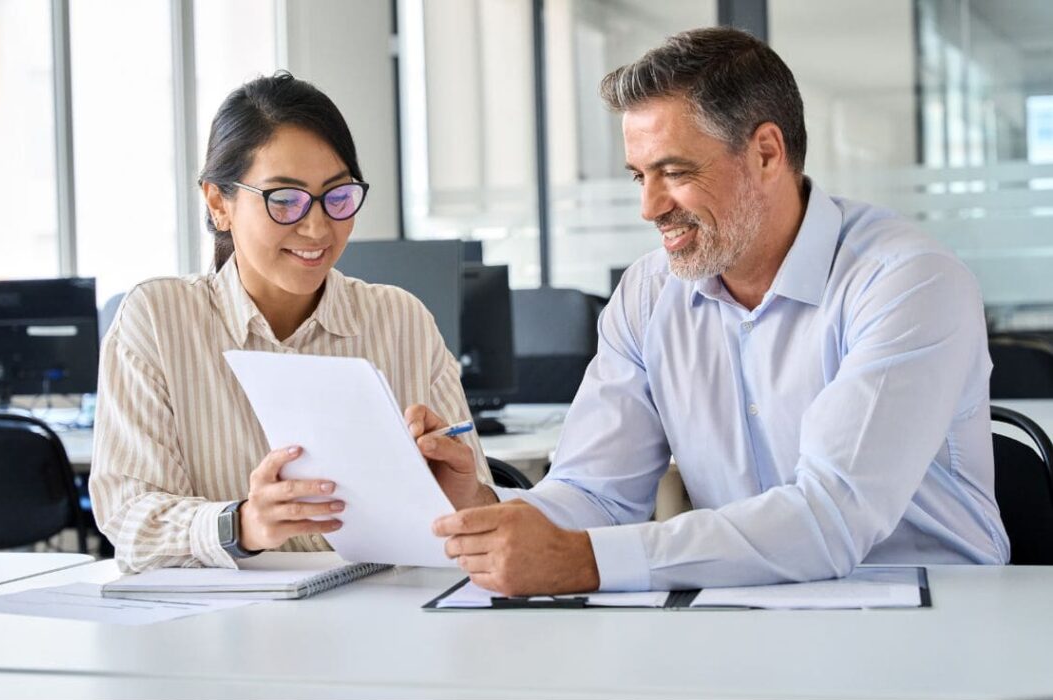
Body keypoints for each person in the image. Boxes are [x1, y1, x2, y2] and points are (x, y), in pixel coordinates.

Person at [411, 26, 1008, 596]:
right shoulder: (649, 294)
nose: (649, 207)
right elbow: (596, 491)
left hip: (933, 608)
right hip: (745, 606)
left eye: (674, 172)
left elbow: (831, 516)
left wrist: (584, 561)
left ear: (767, 153)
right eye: (639, 176)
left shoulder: (907, 282)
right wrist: (484, 519)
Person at [90, 72, 490, 573]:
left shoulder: (400, 319)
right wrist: (243, 524)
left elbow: (477, 515)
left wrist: (466, 495)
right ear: (219, 203)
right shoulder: (157, 319)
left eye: (338, 196)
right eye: (284, 199)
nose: (318, 226)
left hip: (386, 617)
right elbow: (130, 520)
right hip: (226, 630)